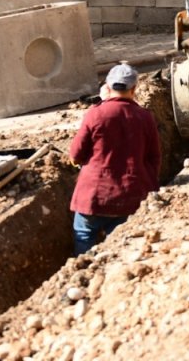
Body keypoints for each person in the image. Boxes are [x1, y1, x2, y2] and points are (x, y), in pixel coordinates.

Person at [67, 63, 161, 255]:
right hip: (129, 196)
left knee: (84, 236)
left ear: (107, 88)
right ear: (133, 90)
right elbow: (154, 158)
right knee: (119, 245)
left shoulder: (95, 114)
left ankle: (84, 272)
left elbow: (76, 155)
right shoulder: (145, 117)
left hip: (93, 197)